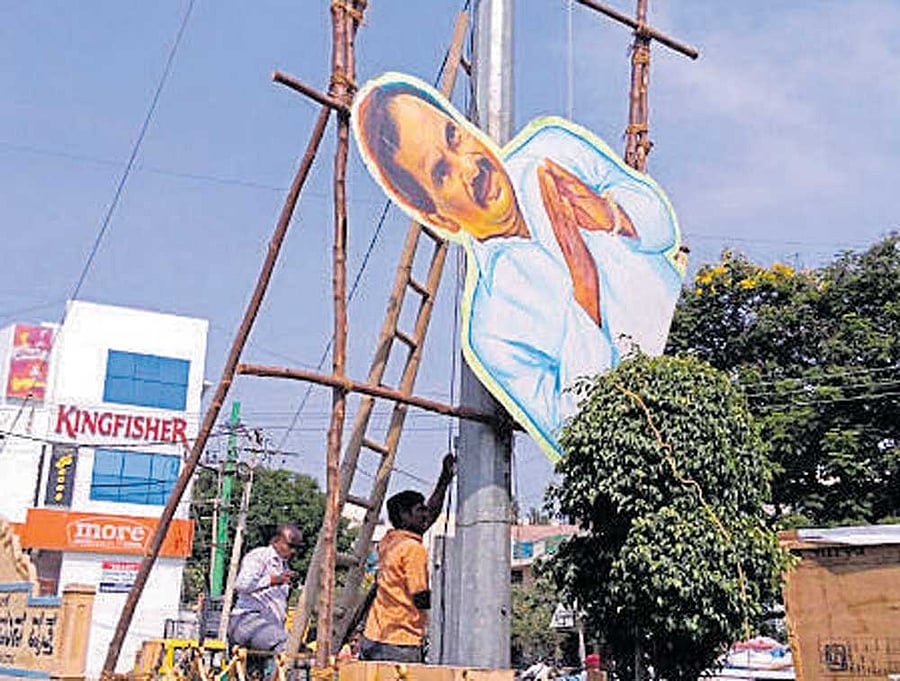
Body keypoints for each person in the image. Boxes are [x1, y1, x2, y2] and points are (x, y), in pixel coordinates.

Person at [352, 73, 684, 460]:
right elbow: (575, 434)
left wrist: (612, 215)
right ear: (438, 217)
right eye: (442, 172)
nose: (470, 167)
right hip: (649, 451)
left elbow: (662, 227)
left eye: (454, 136)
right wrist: (585, 295)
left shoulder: (550, 149)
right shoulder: (493, 331)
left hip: (692, 351)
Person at [359, 454, 455, 663]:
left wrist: (444, 479)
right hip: (400, 641)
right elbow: (420, 597)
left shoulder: (390, 541)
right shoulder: (413, 549)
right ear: (404, 514)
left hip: (375, 636)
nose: (425, 514)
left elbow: (430, 515)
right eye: (419, 510)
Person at [227, 523, 303, 654]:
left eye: (296, 548)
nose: (293, 552)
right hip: (245, 620)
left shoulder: (283, 566)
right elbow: (241, 585)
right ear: (276, 541)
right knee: (287, 645)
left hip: (267, 627)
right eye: (290, 546)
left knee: (297, 649)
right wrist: (272, 580)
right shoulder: (259, 556)